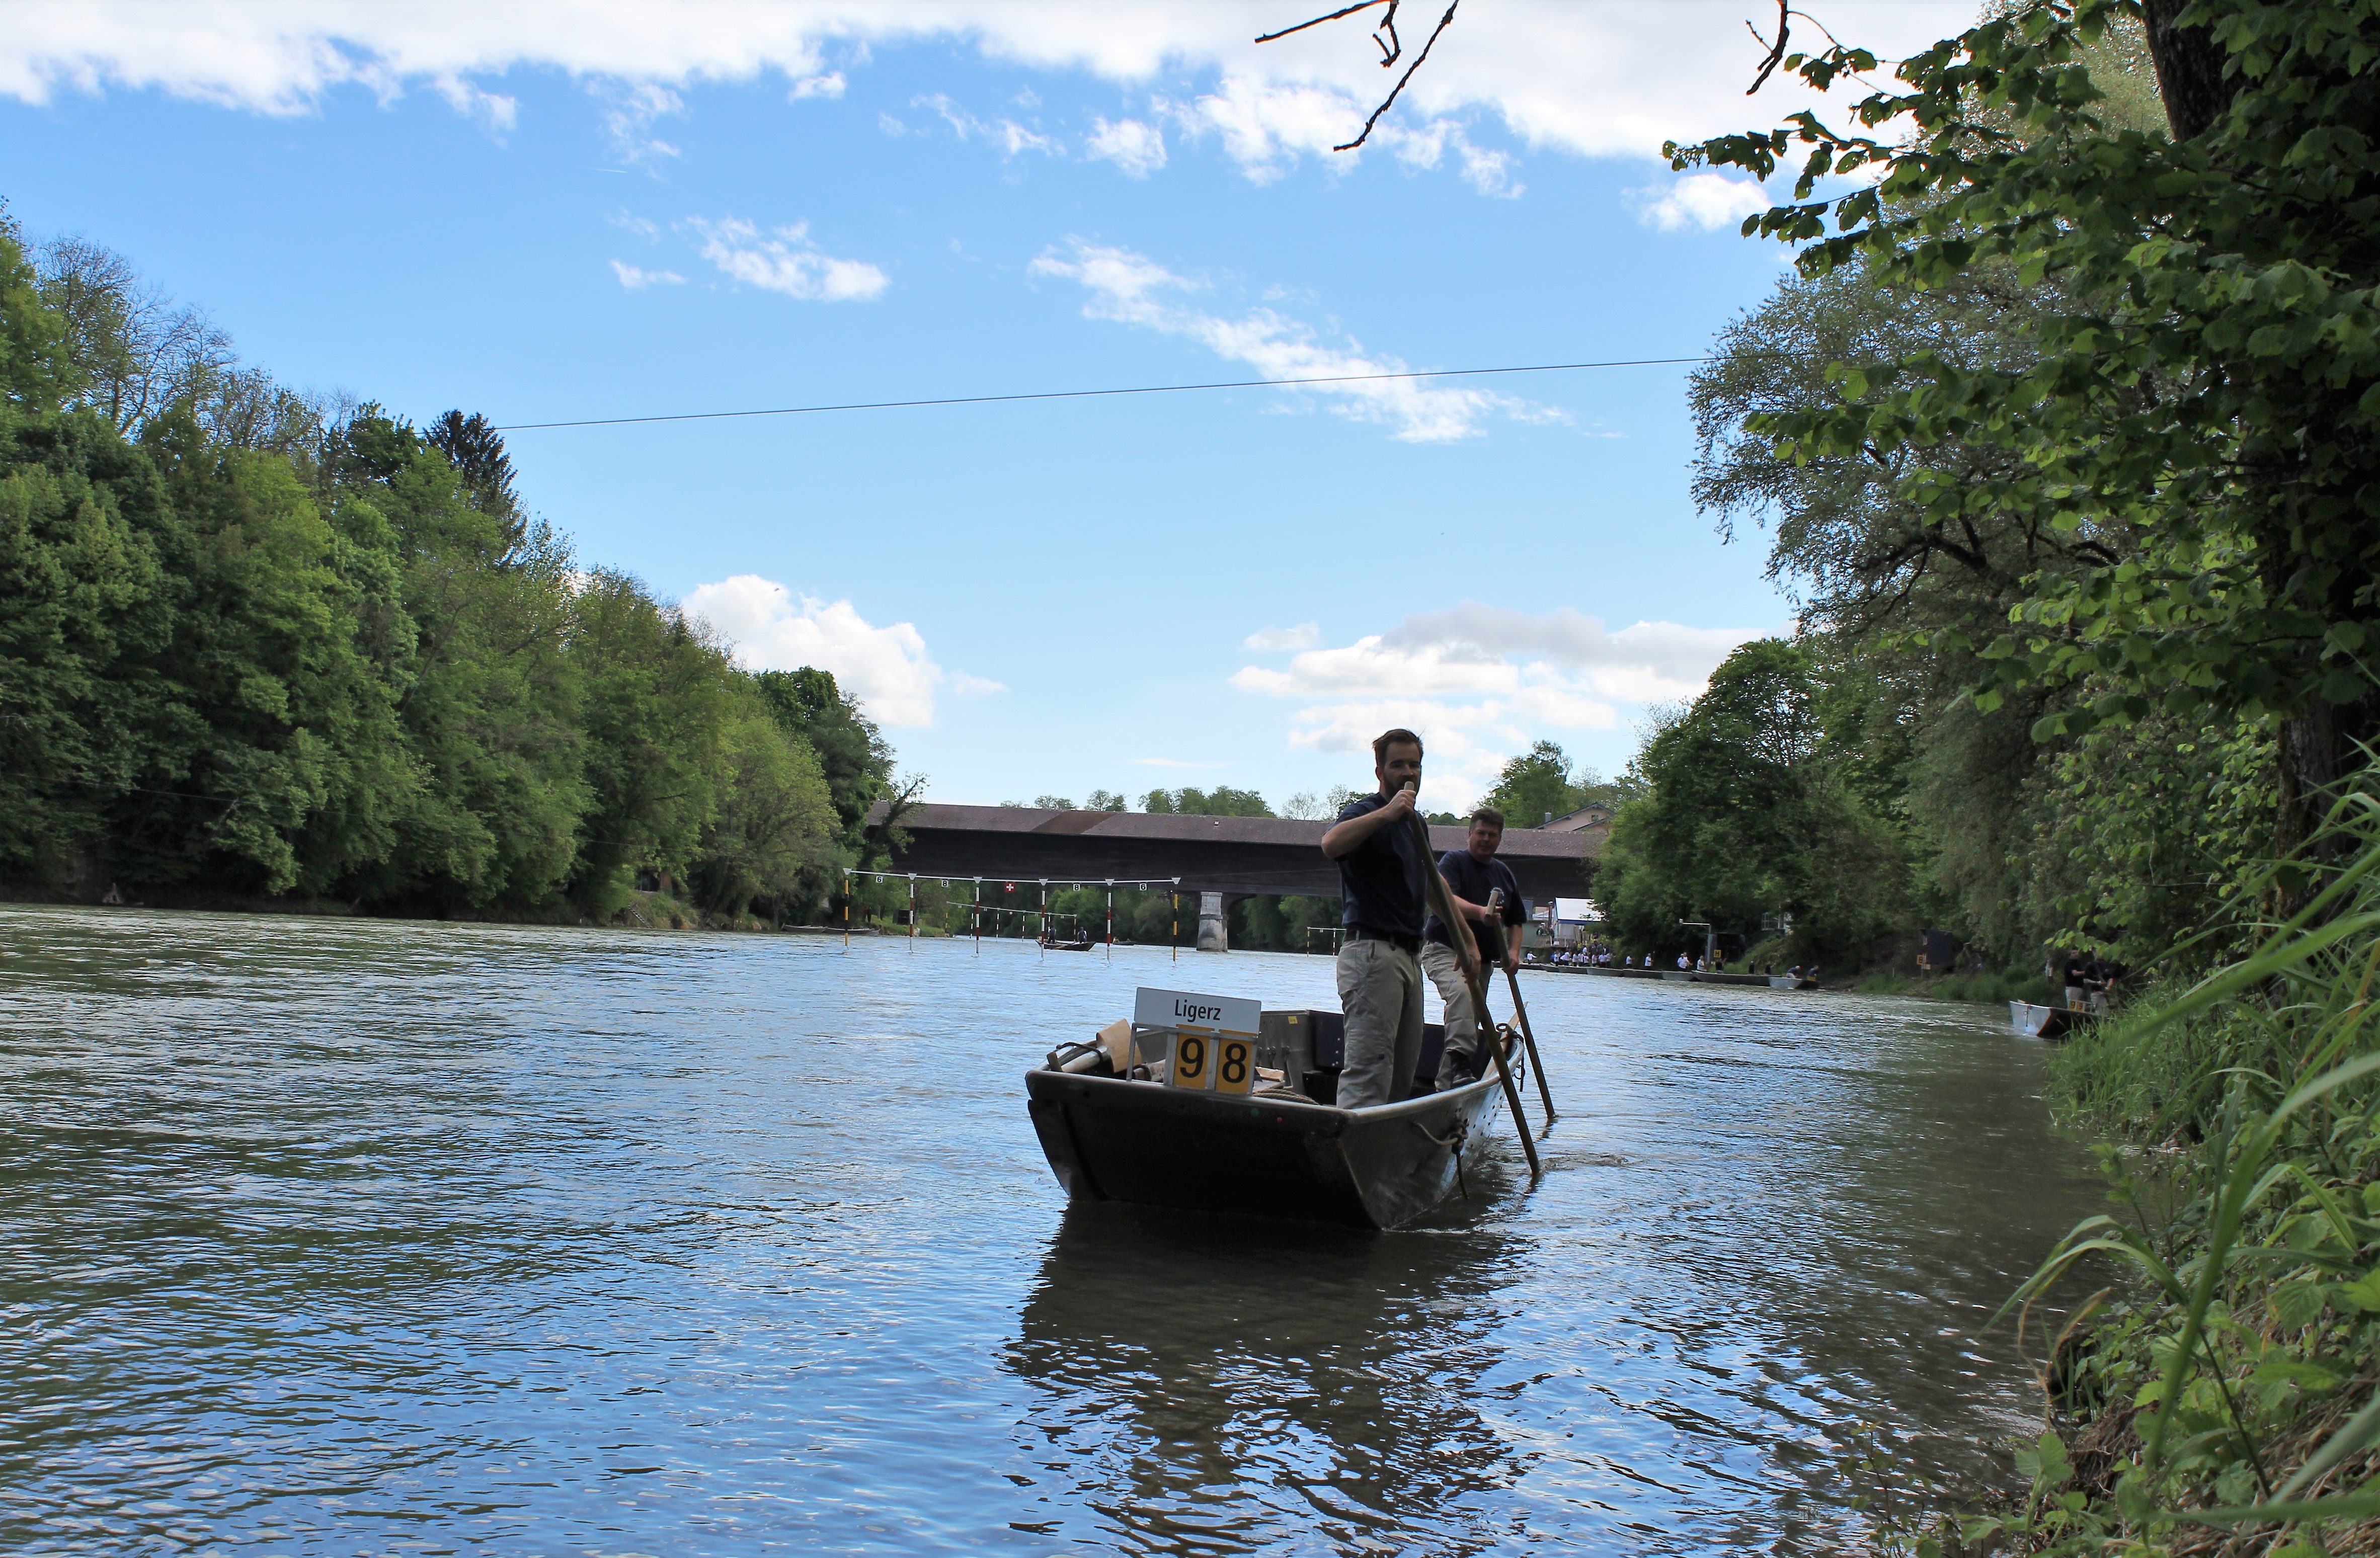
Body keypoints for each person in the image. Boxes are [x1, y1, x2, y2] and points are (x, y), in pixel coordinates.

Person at [1320, 728, 1430, 1109]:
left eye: (1414, 764)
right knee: (1369, 1074)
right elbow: (1331, 844)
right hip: (1372, 955)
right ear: (1380, 771)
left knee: (1401, 1079)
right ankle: (1345, 1163)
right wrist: (1389, 812)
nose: (1407, 771)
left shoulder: (1418, 825)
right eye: (1397, 764)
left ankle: (1384, 1163)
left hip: (1410, 958)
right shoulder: (1366, 812)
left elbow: (1432, 886)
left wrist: (1466, 940)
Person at [1420, 806, 1526, 1084]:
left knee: (1468, 1018)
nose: (1486, 839)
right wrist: (1480, 912)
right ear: (1470, 834)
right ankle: (1460, 1065)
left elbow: (1516, 921)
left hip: (1485, 963)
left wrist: (1514, 953)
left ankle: (1449, 1087)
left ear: (1500, 839)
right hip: (1446, 949)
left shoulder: (1505, 874)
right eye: (1481, 833)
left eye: (1492, 835)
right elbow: (1446, 900)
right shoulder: (1454, 862)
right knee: (1463, 995)